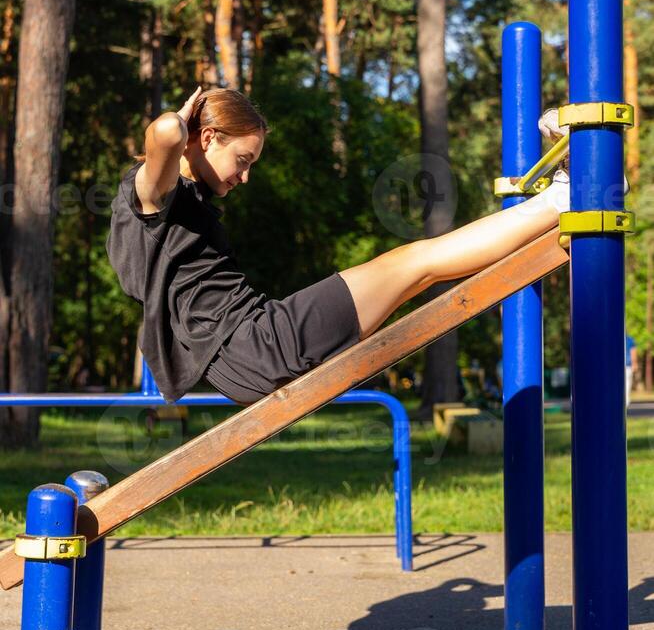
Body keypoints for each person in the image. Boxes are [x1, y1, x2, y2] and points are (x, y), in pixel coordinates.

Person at [106, 87, 570, 406]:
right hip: (253, 346)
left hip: (244, 354)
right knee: (416, 262)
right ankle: (563, 197)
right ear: (206, 137)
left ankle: (554, 202)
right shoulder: (154, 198)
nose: (244, 176)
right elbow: (165, 135)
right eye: (242, 159)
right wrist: (181, 118)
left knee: (417, 270)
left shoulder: (178, 207)